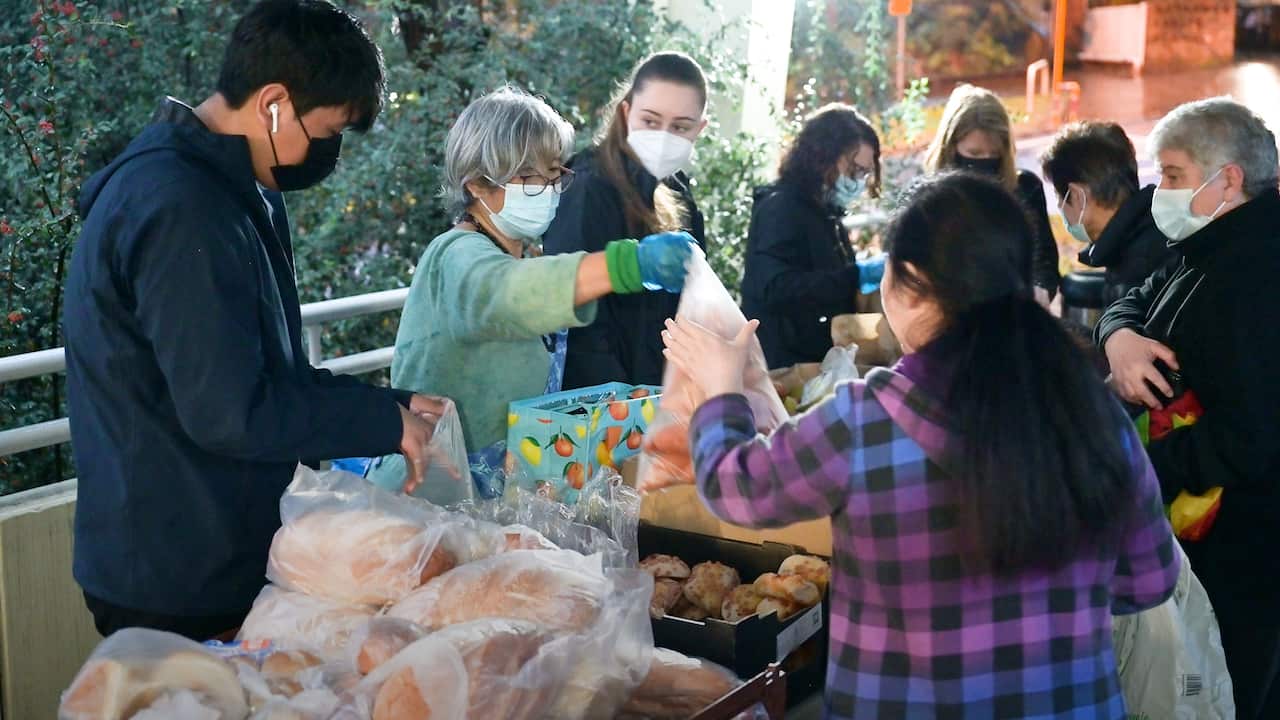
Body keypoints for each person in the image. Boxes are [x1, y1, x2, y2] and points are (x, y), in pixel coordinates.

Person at [662, 172, 1178, 719]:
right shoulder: (1091, 412)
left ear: (908, 282)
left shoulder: (863, 421)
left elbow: (736, 489)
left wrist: (722, 386)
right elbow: (1148, 580)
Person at [61, 0, 448, 640]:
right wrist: (380, 421)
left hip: (216, 547)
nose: (329, 152)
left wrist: (396, 407)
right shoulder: (179, 205)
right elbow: (229, 411)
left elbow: (274, 374)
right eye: (326, 132)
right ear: (273, 102)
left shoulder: (233, 193)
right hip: (172, 573)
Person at [364, 86, 694, 500]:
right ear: (478, 187)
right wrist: (627, 265)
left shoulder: (524, 254)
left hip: (497, 491)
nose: (550, 187)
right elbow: (511, 294)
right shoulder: (456, 255)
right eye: (527, 178)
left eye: (555, 173)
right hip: (431, 492)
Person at [1094, 97, 1280, 719]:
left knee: (1230, 686)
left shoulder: (1259, 272)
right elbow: (1135, 300)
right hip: (1189, 523)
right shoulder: (1206, 240)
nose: (1157, 193)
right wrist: (1118, 339)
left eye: (1172, 175)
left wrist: (1141, 469)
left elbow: (1255, 439)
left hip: (1243, 547)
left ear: (1226, 178)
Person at [542, 51, 708, 389]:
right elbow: (574, 316)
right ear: (627, 111)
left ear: (699, 129)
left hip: (660, 397)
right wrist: (621, 403)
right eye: (650, 121)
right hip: (605, 409)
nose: (664, 135)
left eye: (680, 127)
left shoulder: (677, 192)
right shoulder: (587, 186)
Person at [740, 103, 887, 369]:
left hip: (814, 359)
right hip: (780, 364)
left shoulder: (826, 213)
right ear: (821, 157)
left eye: (864, 173)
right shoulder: (781, 206)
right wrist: (855, 276)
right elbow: (775, 287)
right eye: (853, 170)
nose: (858, 182)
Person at [924, 84, 1060, 300]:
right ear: (950, 147)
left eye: (994, 153)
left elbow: (1046, 263)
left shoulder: (1025, 189)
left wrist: (1040, 289)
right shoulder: (928, 198)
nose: (985, 161)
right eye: (974, 153)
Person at [1040, 122, 1178, 304]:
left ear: (1078, 196)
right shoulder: (1150, 231)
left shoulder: (1138, 268)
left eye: (1059, 197)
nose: (1059, 205)